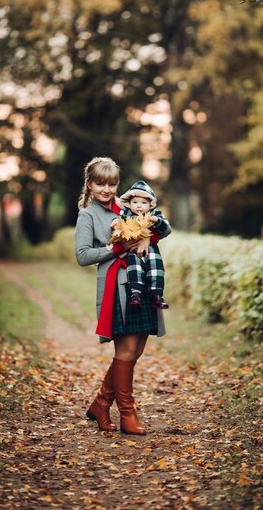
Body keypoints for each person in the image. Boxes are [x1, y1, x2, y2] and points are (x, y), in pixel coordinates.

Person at [75, 157, 171, 436]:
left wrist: (148, 239)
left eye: (112, 184)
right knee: (126, 351)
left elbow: (163, 227)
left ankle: (101, 403)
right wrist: (116, 248)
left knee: (136, 350)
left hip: (142, 283)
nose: (106, 189)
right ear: (90, 184)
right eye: (100, 184)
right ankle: (127, 413)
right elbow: (82, 256)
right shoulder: (88, 215)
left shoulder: (129, 205)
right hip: (117, 288)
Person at [112, 179, 169, 310]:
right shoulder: (126, 214)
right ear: (129, 203)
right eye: (135, 202)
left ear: (150, 205)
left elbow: (165, 227)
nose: (139, 206)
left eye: (143, 203)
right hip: (133, 249)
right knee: (134, 268)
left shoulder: (154, 214)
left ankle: (157, 295)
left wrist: (157, 222)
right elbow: (119, 223)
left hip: (151, 250)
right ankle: (135, 294)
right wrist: (115, 223)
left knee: (156, 269)